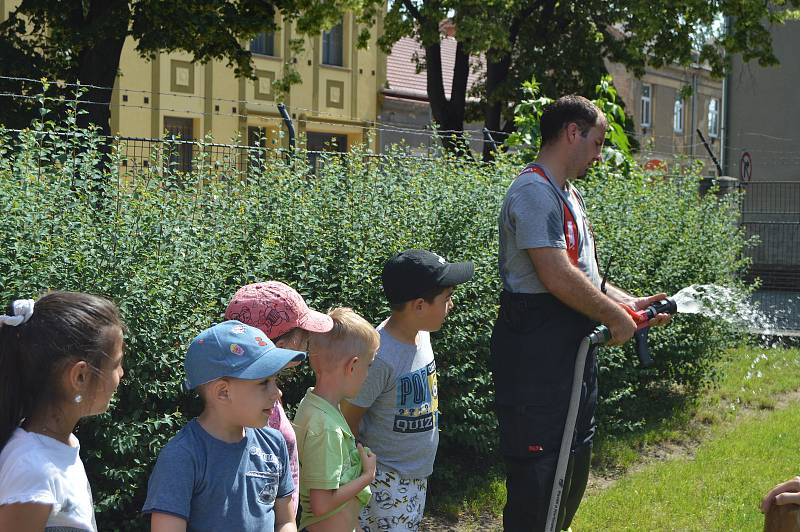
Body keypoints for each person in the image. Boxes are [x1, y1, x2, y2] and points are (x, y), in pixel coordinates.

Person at [490, 95, 671, 532]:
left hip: (568, 351)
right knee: (539, 481)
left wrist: (628, 305)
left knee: (572, 466)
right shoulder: (534, 191)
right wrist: (613, 317)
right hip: (535, 355)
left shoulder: (569, 194)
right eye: (597, 142)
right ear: (573, 132)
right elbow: (554, 274)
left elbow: (584, 276)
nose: (599, 153)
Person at [341, 249, 474, 532]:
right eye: (447, 299)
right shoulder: (380, 358)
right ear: (419, 306)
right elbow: (348, 418)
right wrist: (359, 475)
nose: (451, 305)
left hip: (415, 475)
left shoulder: (422, 335)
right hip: (385, 480)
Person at [143, 320, 305, 532]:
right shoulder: (182, 456)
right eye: (263, 382)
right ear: (223, 392)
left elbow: (285, 520)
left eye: (275, 381)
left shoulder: (273, 444)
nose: (277, 393)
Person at [0, 291, 126, 532]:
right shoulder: (33, 468)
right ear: (79, 376)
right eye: (116, 364)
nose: (121, 374)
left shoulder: (60, 446)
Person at [225, 281, 334, 519]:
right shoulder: (255, 411)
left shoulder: (257, 397)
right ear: (282, 346)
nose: (308, 339)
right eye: (303, 334)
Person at [293, 307, 380, 531]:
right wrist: (367, 475)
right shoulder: (326, 427)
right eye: (368, 365)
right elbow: (321, 504)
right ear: (352, 366)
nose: (368, 374)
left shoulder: (315, 405)